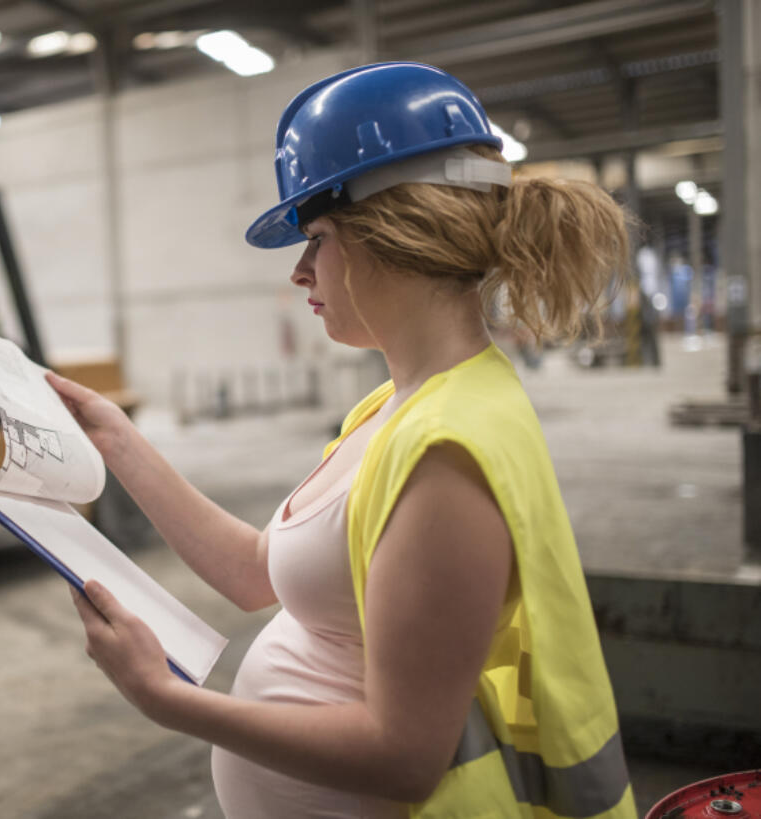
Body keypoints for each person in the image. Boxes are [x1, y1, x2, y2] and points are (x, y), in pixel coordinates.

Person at [46, 62, 635, 818]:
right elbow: (260, 571)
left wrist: (167, 697)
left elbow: (404, 755)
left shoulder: (445, 455)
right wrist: (116, 437)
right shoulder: (395, 407)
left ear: (397, 232)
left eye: (316, 238)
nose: (300, 271)